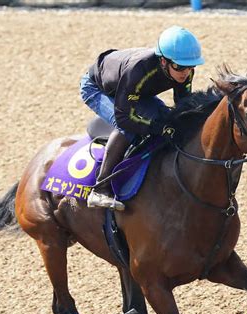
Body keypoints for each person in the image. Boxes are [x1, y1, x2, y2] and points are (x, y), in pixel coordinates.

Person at [80, 25, 205, 211]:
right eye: (179, 67)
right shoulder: (138, 70)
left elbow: (182, 104)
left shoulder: (183, 70)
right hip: (98, 89)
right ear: (163, 61)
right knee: (128, 128)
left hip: (134, 91)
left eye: (190, 67)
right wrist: (158, 128)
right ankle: (100, 188)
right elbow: (124, 118)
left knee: (167, 117)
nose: (185, 72)